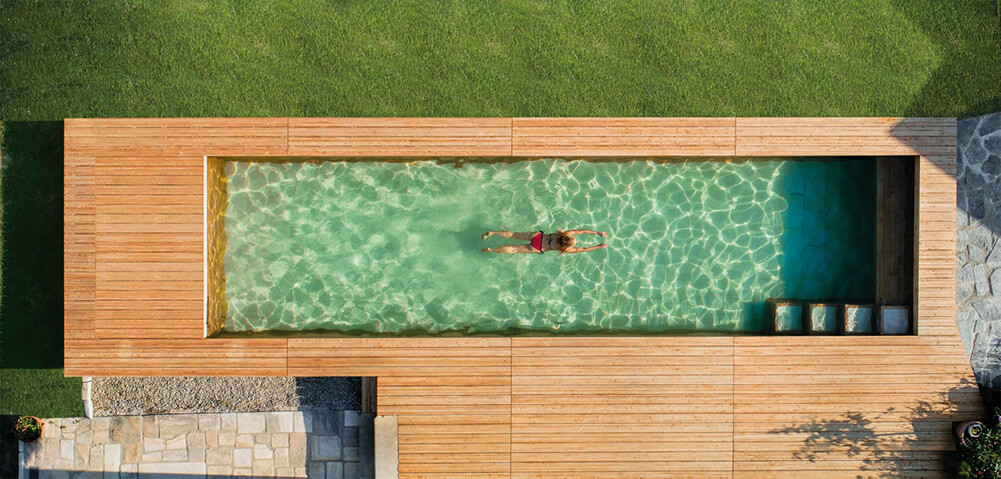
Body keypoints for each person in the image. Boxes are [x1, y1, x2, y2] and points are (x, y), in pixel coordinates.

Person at [481, 229, 609, 254]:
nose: (577, 241)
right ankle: (492, 250)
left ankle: (493, 233)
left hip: (538, 237)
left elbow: (581, 231)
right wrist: (598, 246)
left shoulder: (566, 233)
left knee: (513, 234)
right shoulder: (566, 249)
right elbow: (584, 249)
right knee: (514, 249)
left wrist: (598, 233)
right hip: (538, 248)